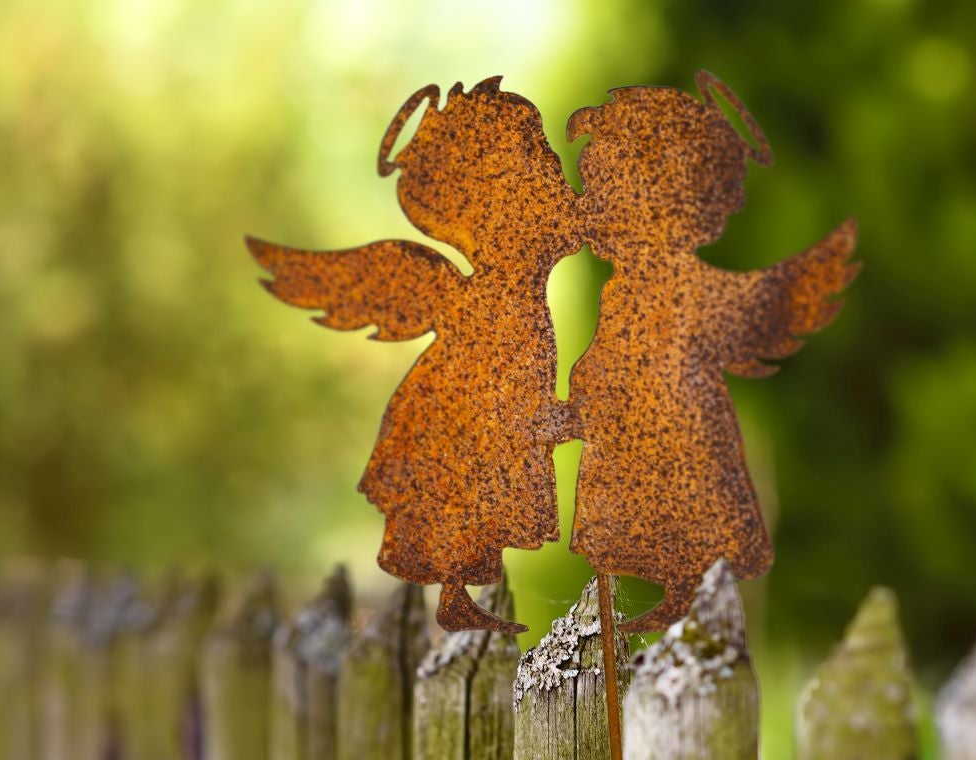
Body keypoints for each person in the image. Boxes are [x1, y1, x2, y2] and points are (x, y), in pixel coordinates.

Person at [249, 77, 579, 632]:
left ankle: (461, 591)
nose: (550, 174)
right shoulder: (492, 303)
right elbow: (508, 403)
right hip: (457, 415)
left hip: (487, 403)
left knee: (478, 496)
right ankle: (456, 592)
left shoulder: (528, 254)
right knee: (464, 490)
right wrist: (556, 420)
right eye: (536, 162)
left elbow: (581, 225)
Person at [566, 72, 858, 632]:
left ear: (669, 205)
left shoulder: (687, 290)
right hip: (632, 429)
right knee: (645, 510)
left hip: (681, 430)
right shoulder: (621, 292)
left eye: (606, 194)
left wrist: (797, 284)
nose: (590, 210)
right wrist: (582, 402)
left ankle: (688, 593)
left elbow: (753, 308)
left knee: (689, 508)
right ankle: (679, 594)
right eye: (593, 190)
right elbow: (610, 359)